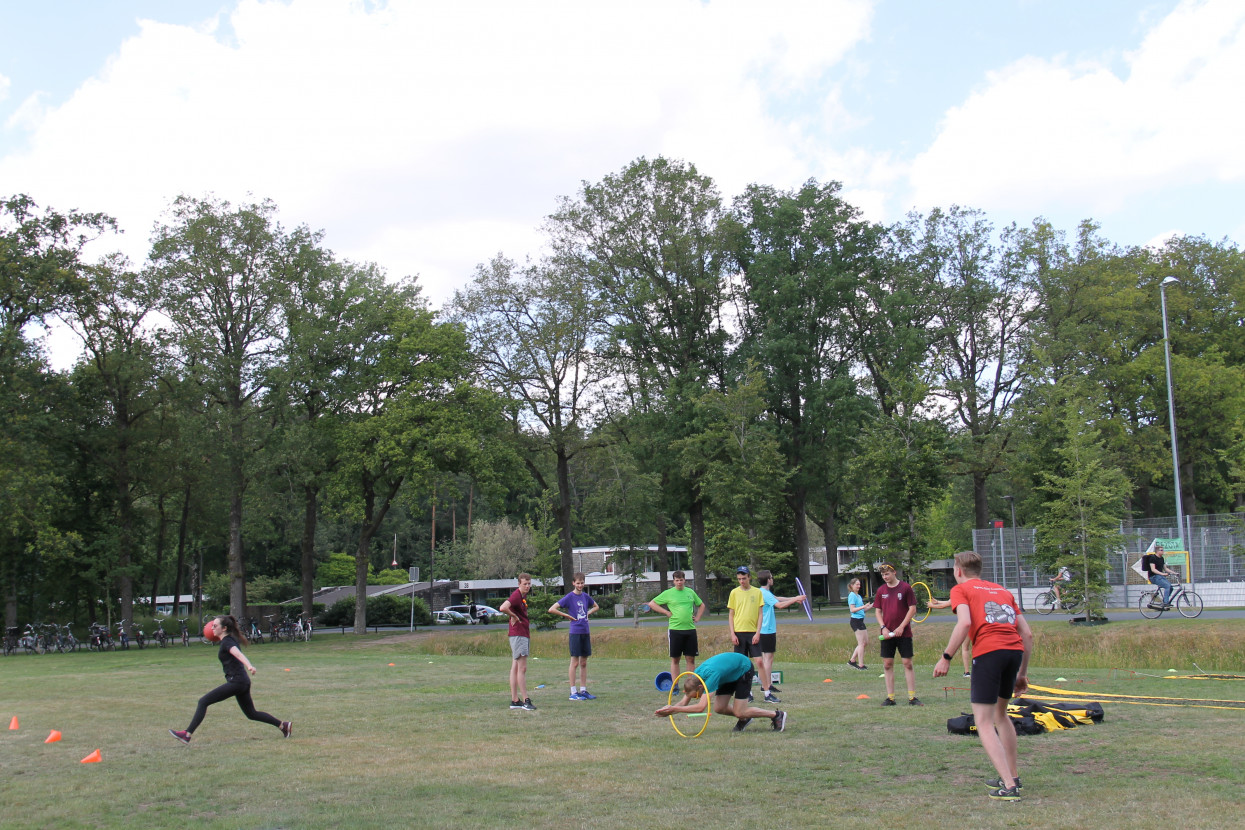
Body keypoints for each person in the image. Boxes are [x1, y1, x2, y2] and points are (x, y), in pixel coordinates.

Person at [933, 551, 1033, 802]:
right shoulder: (1002, 591)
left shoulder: (961, 589)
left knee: (984, 721)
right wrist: (1022, 673)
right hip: (1014, 652)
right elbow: (1028, 634)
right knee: (1001, 715)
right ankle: (1013, 775)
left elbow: (964, 623)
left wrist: (946, 657)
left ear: (958, 570)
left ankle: (1010, 787)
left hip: (989, 653)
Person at [169, 615, 290, 744]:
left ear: (224, 628)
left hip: (237, 682)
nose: (212, 628)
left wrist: (249, 665)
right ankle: (284, 726)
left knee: (203, 701)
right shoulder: (228, 640)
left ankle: (186, 734)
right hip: (242, 682)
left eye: (215, 626)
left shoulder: (228, 642)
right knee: (251, 714)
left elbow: (238, 653)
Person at [653, 651, 787, 733]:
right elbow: (684, 700)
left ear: (701, 688)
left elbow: (701, 708)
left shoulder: (710, 679)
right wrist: (669, 709)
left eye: (697, 696)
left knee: (739, 711)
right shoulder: (694, 679)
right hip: (727, 673)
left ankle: (776, 715)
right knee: (719, 708)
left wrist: (674, 709)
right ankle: (745, 718)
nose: (696, 698)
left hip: (743, 669)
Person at [873, 563, 921, 706]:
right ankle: (890, 698)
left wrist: (901, 627)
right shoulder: (881, 590)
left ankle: (912, 697)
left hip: (904, 633)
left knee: (907, 663)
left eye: (887, 574)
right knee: (887, 664)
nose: (885, 577)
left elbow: (912, 609)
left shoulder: (905, 588)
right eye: (883, 575)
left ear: (894, 573)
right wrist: (883, 627)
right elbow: (877, 611)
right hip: (887, 634)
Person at [755, 570, 806, 703]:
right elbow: (780, 605)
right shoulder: (764, 593)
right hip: (766, 630)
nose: (773, 579)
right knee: (767, 658)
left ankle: (768, 684)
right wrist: (796, 599)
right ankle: (765, 685)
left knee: (769, 658)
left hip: (766, 629)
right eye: (771, 577)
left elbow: (777, 598)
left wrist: (795, 598)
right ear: (768, 579)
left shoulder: (763, 592)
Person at [647, 570, 706, 681]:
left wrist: (697, 617)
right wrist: (666, 612)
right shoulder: (668, 593)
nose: (679, 582)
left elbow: (701, 605)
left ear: (684, 580)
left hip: (690, 630)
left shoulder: (690, 592)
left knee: (690, 659)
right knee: (675, 659)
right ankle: (675, 687)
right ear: (673, 581)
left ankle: (690, 685)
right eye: (677, 580)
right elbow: (652, 604)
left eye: (681, 580)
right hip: (675, 630)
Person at [549, 572, 600, 700]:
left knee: (583, 662)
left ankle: (583, 690)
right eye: (578, 583)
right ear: (573, 583)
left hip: (585, 632)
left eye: (582, 583)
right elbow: (552, 609)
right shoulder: (569, 597)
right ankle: (573, 692)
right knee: (575, 662)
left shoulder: (585, 596)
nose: (580, 585)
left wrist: (588, 613)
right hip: (575, 632)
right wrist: (567, 616)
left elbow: (596, 606)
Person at [500, 573, 536, 711]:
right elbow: (503, 607)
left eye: (529, 584)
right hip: (519, 635)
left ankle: (515, 700)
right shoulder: (516, 595)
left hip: (521, 634)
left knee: (515, 667)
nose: (527, 586)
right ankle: (526, 700)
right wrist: (513, 616)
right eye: (524, 584)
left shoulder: (523, 597)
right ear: (519, 584)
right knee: (522, 668)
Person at [727, 566, 763, 694]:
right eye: (739, 579)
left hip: (753, 632)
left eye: (744, 578)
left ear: (749, 577)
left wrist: (758, 632)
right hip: (739, 632)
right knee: (742, 665)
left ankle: (767, 691)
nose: (742, 581)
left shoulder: (757, 592)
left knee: (759, 661)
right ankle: (747, 692)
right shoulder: (734, 593)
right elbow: (731, 614)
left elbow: (760, 614)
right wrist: (732, 633)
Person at [929, 596, 973, 677]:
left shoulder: (961, 592)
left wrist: (932, 606)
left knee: (965, 648)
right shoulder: (968, 593)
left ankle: (967, 672)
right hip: (974, 622)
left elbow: (945, 605)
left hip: (967, 624)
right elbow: (950, 602)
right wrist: (938, 601)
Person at [846, 577, 874, 670]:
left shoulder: (858, 596)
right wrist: (863, 606)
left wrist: (872, 605)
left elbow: (863, 610)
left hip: (861, 620)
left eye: (859, 584)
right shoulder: (852, 595)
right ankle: (861, 665)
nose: (859, 586)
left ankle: (852, 661)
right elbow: (852, 610)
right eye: (856, 584)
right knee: (861, 643)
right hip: (855, 621)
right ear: (851, 586)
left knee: (865, 642)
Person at [1142, 544, 1177, 608]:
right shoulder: (1153, 558)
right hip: (1153, 577)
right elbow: (1153, 569)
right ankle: (1166, 603)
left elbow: (1165, 568)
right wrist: (1163, 574)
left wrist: (1174, 573)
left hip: (1160, 576)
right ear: (1157, 551)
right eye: (1161, 550)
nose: (1163, 551)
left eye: (1163, 550)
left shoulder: (1162, 558)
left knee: (1171, 587)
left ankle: (1164, 601)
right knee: (1167, 586)